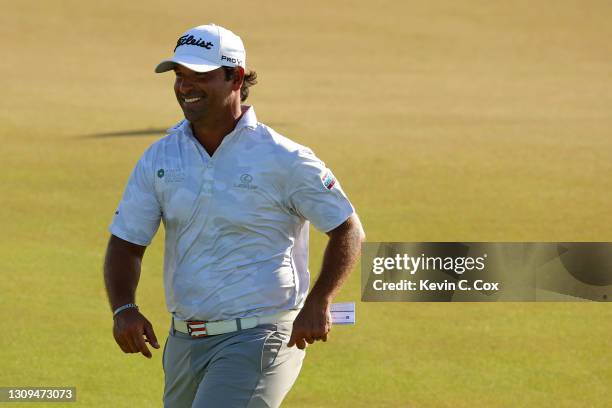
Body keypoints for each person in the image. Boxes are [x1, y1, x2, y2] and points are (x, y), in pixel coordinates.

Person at [103, 23, 365, 408]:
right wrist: (124, 307)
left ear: (236, 78)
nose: (185, 86)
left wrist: (320, 300)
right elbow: (126, 244)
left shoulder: (284, 158)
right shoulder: (160, 157)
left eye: (201, 76)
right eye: (180, 76)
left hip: (261, 335)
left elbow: (347, 229)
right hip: (184, 340)